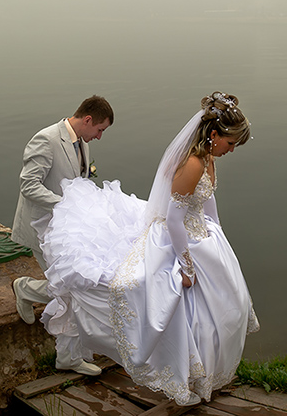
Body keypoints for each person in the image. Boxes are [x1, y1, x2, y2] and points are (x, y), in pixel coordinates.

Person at [39, 92, 259, 405]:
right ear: (213, 135)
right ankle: (181, 376)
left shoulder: (209, 159)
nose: (232, 150)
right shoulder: (193, 164)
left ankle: (203, 376)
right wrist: (186, 266)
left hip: (203, 238)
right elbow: (173, 219)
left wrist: (217, 235)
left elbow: (209, 205)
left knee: (220, 309)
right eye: (230, 143)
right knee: (178, 308)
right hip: (178, 237)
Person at [10, 95, 114, 375]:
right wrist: (65, 204)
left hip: (68, 230)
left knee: (76, 288)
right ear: (88, 119)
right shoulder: (46, 139)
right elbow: (28, 186)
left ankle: (67, 356)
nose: (100, 137)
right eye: (100, 129)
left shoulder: (82, 143)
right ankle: (26, 289)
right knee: (70, 290)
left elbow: (80, 180)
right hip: (41, 227)